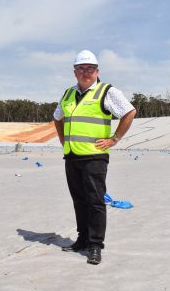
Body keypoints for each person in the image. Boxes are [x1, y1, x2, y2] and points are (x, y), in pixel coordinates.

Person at [53, 50, 137, 265]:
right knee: (79, 200)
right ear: (75, 72)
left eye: (90, 68)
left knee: (95, 202)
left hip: (95, 157)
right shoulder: (68, 94)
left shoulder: (106, 91)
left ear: (97, 71)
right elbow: (57, 118)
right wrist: (64, 141)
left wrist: (114, 138)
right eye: (81, 69)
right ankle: (82, 240)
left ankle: (95, 245)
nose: (86, 72)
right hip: (72, 156)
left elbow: (129, 112)